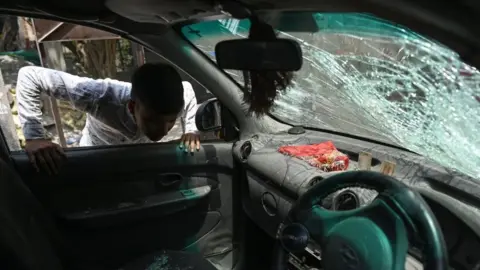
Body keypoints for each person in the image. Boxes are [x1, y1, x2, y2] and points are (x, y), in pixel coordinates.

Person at [16, 63, 201, 175]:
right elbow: (30, 76)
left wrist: (191, 129)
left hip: (134, 165)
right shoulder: (100, 96)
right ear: (131, 106)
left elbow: (189, 90)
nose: (161, 131)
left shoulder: (181, 97)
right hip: (94, 161)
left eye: (170, 121)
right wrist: (34, 136)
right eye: (151, 120)